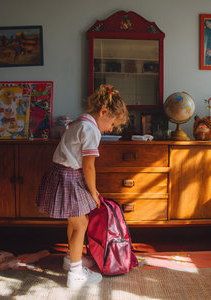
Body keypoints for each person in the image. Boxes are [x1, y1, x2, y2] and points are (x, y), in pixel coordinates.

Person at [36, 84, 128, 289]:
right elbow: (88, 166)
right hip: (70, 178)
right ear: (103, 112)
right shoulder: (91, 130)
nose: (111, 129)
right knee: (80, 225)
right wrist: (93, 191)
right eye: (112, 123)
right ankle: (76, 274)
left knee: (75, 220)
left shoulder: (80, 121)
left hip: (61, 174)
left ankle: (71, 259)